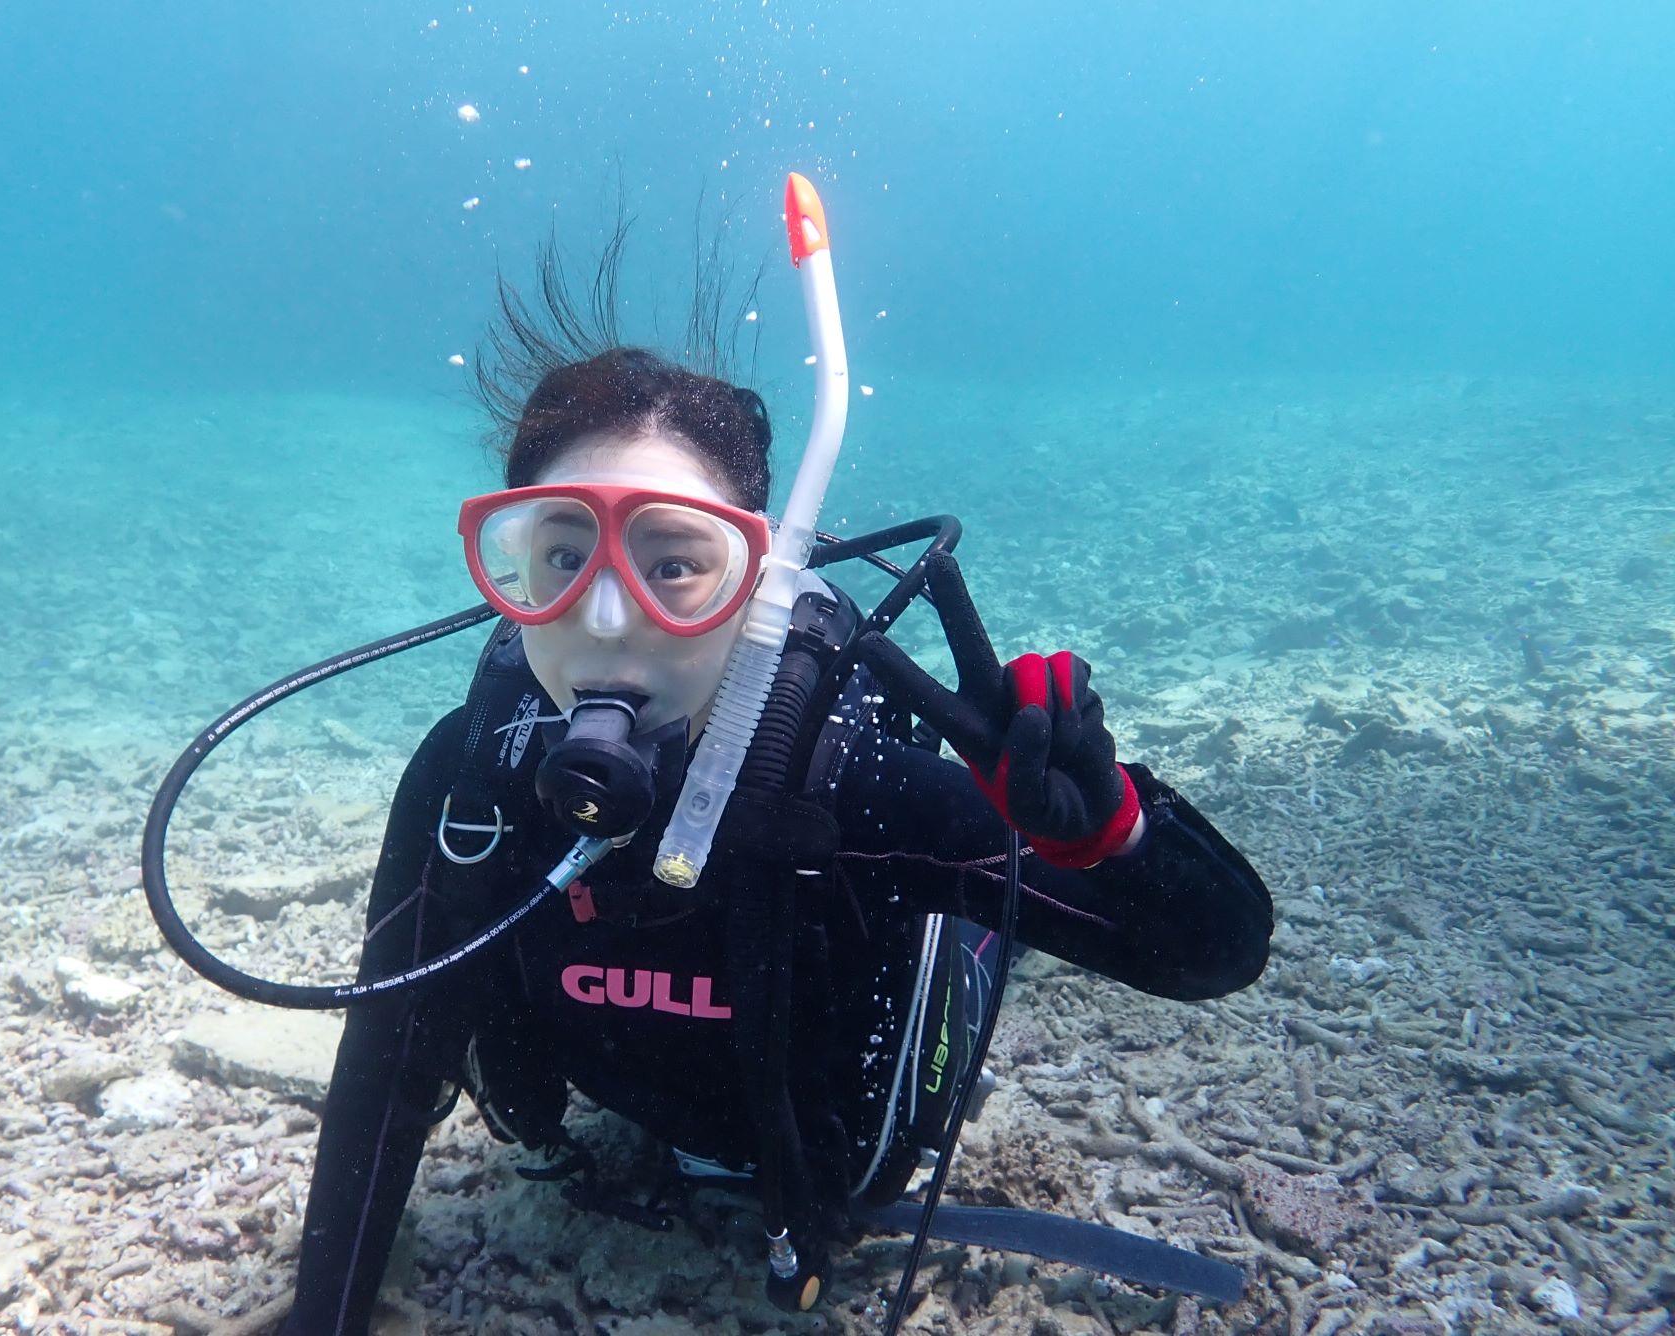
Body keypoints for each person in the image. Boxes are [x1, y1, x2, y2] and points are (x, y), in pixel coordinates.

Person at [273, 219, 1272, 1336]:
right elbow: (384, 1076)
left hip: (834, 1110)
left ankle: (971, 930)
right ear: (509, 567)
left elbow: (1215, 954)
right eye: (560, 554)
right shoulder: (474, 784)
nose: (605, 616)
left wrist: (1108, 833)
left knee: (970, 928)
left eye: (673, 562)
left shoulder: (848, 789)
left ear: (756, 580)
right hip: (638, 1099)